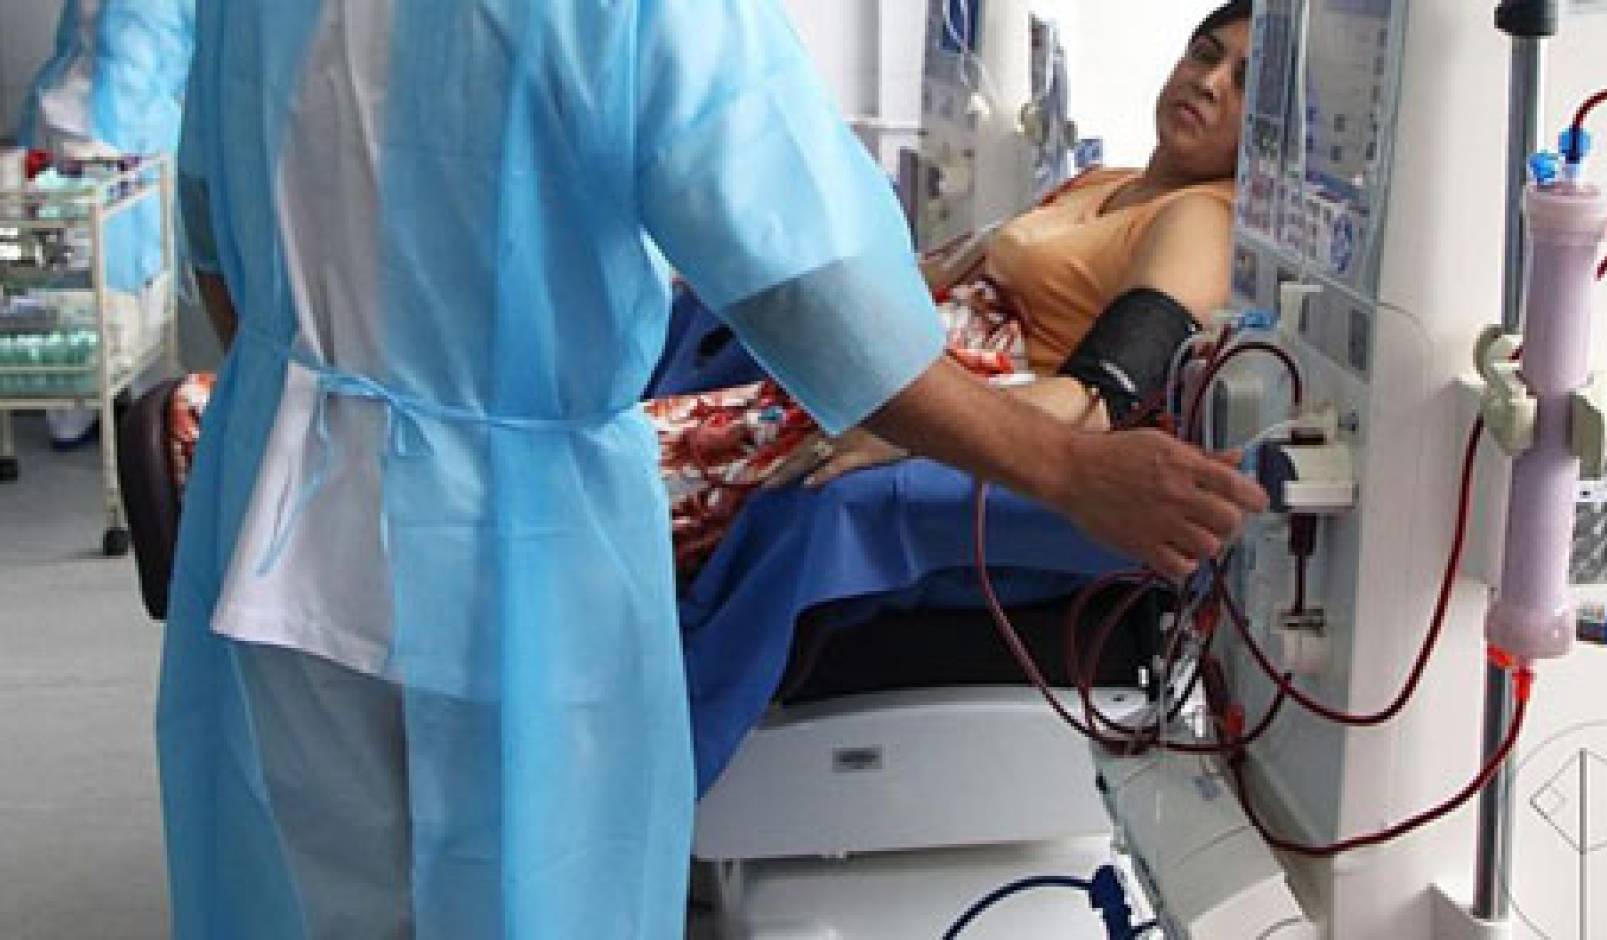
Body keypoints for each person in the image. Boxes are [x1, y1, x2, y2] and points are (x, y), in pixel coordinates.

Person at [160, 2, 1266, 938]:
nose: (1207, 83)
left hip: (277, 489)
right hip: (510, 534)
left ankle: (186, 428)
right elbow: (809, 285)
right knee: (525, 887)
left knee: (302, 883)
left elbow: (212, 237)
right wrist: (1068, 473)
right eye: (1203, 51)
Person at [655, 2, 1252, 575]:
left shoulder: (1201, 221)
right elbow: (940, 271)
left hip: (931, 400)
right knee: (633, 460)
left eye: (1244, 81)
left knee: (638, 491)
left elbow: (1098, 400)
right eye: (1205, 54)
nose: (1209, 83)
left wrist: (925, 436)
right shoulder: (1108, 183)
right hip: (885, 373)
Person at [14, 0, 193, 448]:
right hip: (109, 131)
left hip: (85, 120)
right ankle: (103, 395)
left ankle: (83, 399)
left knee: (96, 268)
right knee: (120, 267)